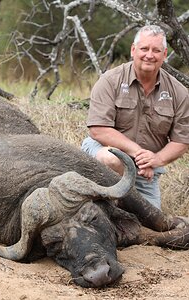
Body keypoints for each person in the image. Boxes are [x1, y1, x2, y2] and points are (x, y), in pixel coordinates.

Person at [81, 25, 189, 210]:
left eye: (156, 50)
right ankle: (107, 207)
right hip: (104, 156)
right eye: (144, 49)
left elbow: (182, 141)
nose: (149, 55)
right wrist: (139, 153)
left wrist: (156, 160)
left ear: (164, 55)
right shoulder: (110, 80)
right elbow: (98, 129)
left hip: (145, 171)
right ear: (133, 50)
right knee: (113, 160)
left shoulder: (178, 92)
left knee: (152, 223)